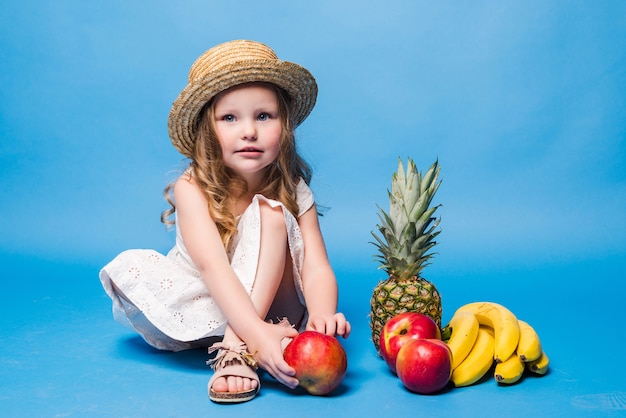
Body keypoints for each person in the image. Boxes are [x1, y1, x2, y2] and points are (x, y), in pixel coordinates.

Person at [99, 39, 351, 403]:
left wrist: (324, 315)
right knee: (130, 269)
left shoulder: (292, 187)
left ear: (285, 126)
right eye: (229, 118)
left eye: (263, 116)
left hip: (276, 308)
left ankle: (236, 350)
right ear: (208, 130)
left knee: (271, 213)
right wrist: (259, 333)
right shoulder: (192, 187)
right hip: (213, 302)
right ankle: (252, 335)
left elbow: (315, 265)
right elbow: (212, 266)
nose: (248, 131)